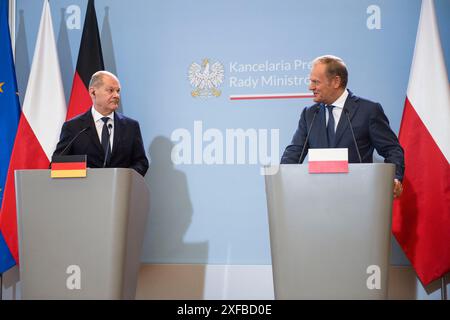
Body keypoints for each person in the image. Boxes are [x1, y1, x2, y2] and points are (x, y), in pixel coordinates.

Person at [281, 55, 404, 198]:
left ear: (336, 81)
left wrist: (394, 179)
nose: (310, 87)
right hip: (318, 199)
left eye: (316, 82)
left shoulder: (368, 111)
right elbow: (293, 154)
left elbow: (392, 149)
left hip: (359, 198)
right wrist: (280, 180)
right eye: (311, 81)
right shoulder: (310, 114)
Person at [53, 71, 149, 176]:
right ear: (93, 92)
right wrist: (84, 173)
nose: (116, 95)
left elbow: (141, 162)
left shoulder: (131, 126)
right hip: (86, 190)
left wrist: (125, 177)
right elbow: (57, 165)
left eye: (118, 91)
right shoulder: (73, 127)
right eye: (111, 90)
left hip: (121, 190)